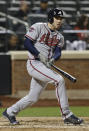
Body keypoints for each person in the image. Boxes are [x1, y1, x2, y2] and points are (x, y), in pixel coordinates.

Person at [2, 8, 83, 125]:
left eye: (61, 18)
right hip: (34, 63)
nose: (60, 21)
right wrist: (38, 54)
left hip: (45, 67)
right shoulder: (39, 26)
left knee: (32, 97)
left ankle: (10, 112)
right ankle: (67, 115)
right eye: (57, 18)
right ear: (51, 18)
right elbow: (27, 43)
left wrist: (53, 59)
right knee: (59, 80)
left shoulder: (60, 37)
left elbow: (58, 52)